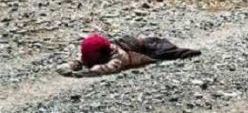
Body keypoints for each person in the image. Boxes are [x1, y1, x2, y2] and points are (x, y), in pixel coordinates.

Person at [56, 34, 201, 77]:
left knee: (170, 53)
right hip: (136, 42)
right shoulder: (95, 53)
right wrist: (67, 66)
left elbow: (111, 67)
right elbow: (81, 60)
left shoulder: (118, 55)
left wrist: (87, 73)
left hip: (148, 49)